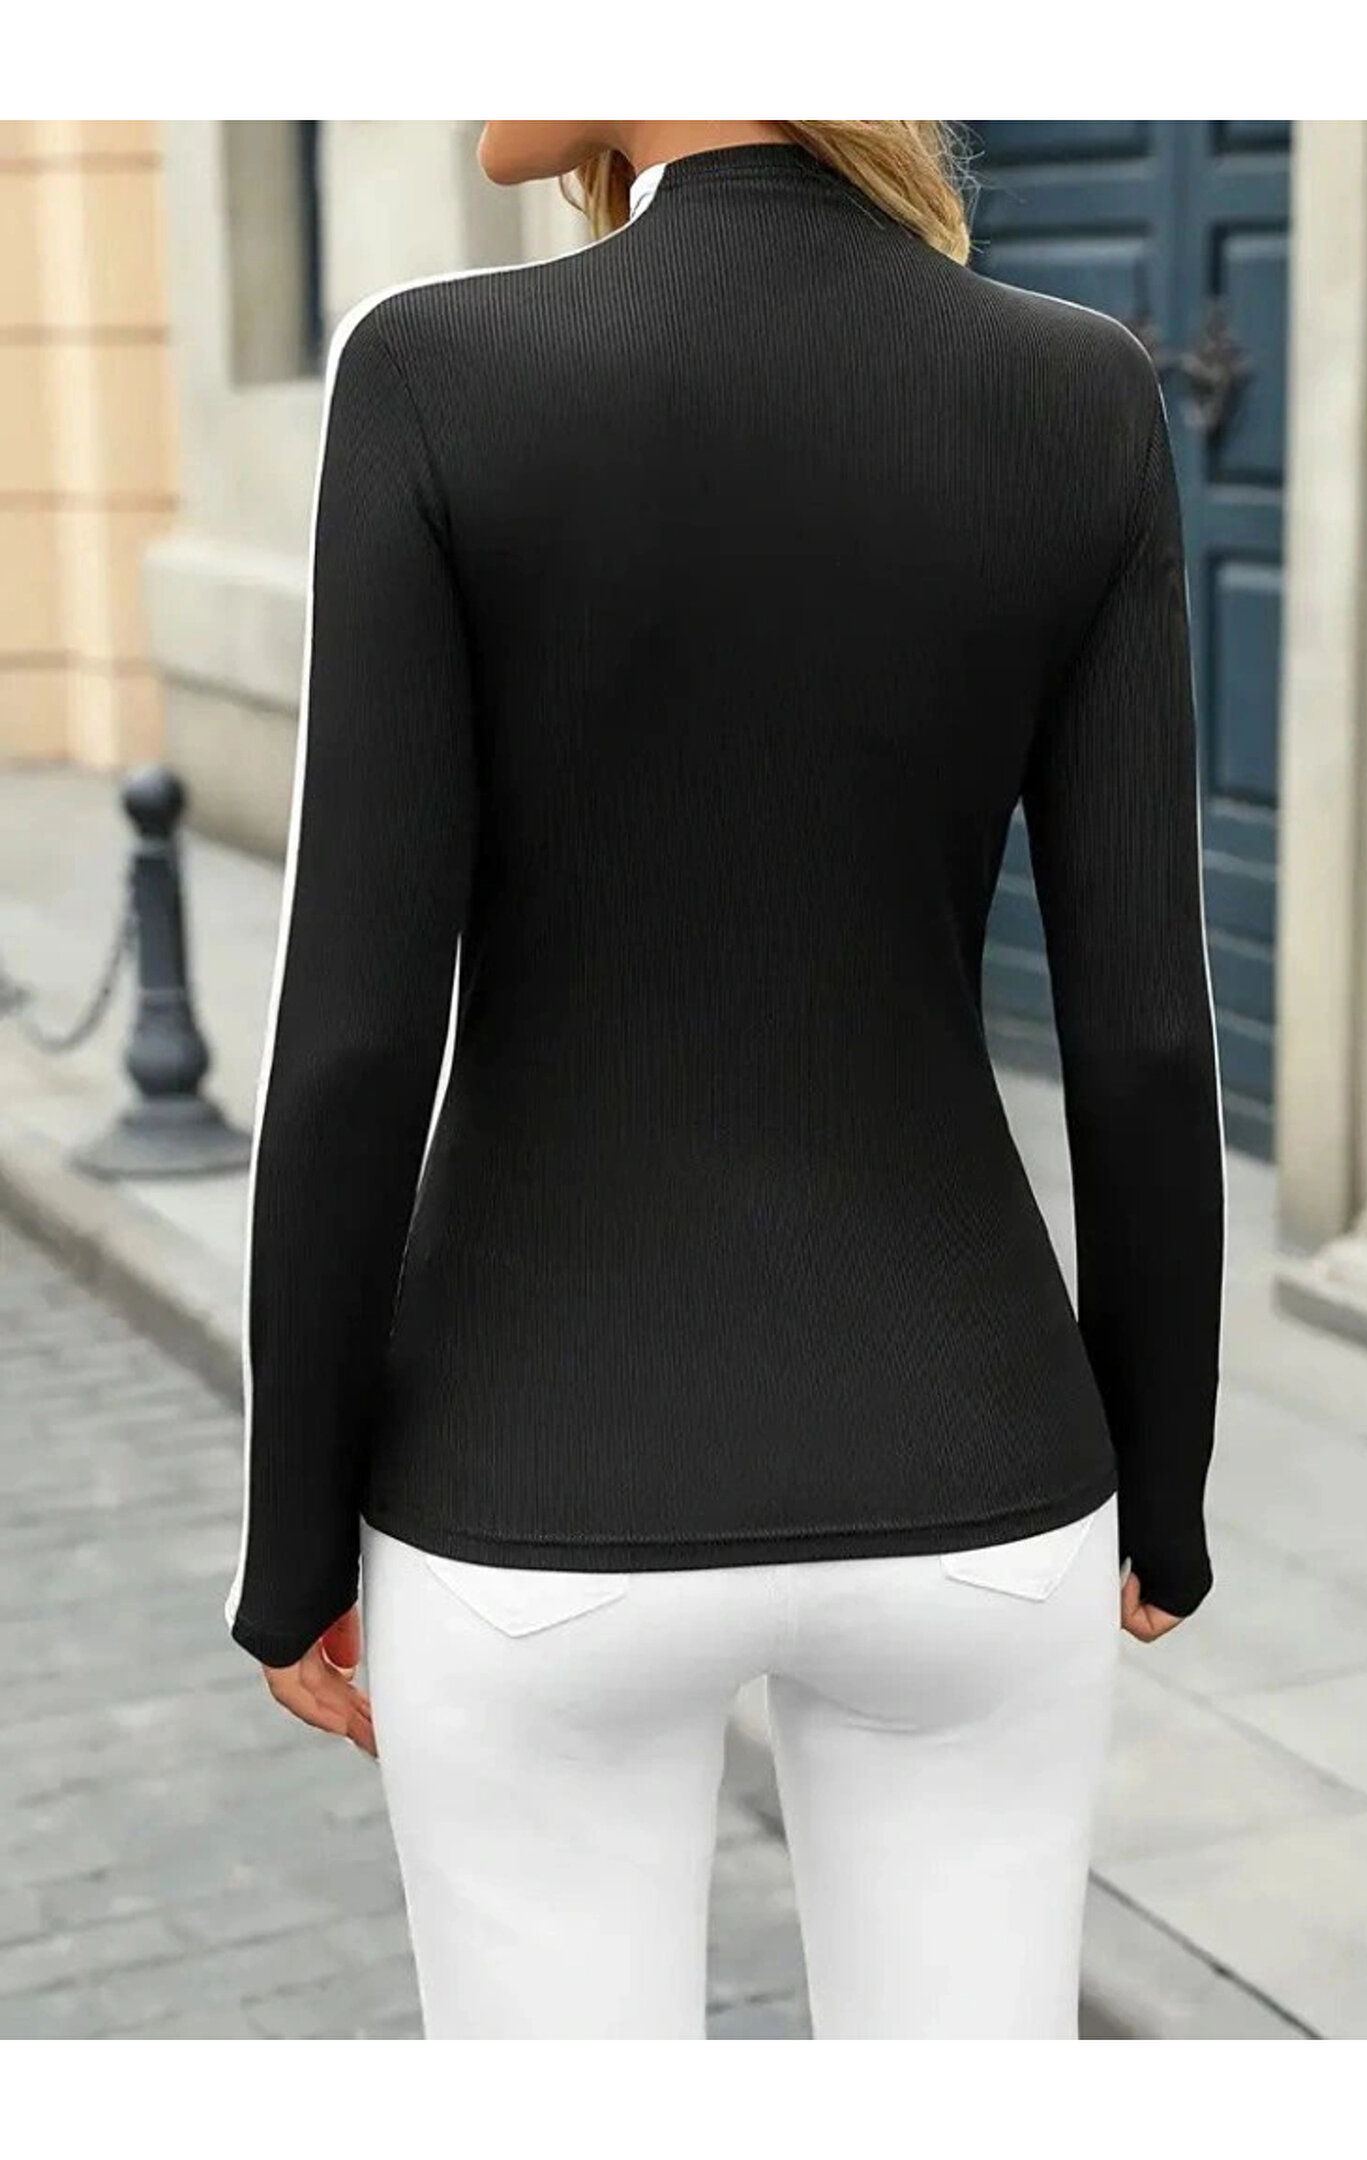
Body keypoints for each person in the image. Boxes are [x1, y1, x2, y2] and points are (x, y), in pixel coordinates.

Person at [223, 119, 1226, 2040]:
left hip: (534, 1486)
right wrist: (1163, 1488)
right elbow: (1147, 1026)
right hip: (978, 1471)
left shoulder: (436, 371)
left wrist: (294, 1543)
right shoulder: (1077, 391)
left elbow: (352, 1035)